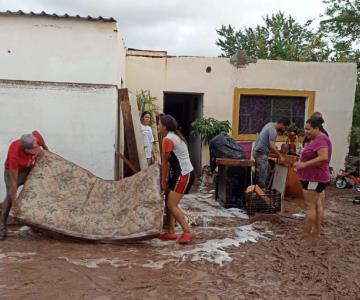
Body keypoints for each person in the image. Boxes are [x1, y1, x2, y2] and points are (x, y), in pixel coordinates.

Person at [0, 132, 46, 240]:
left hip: (28, 167)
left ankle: (34, 223)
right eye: (32, 152)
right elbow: (13, 183)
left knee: (37, 188)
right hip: (14, 172)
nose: (35, 152)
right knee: (10, 197)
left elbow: (37, 134)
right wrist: (15, 204)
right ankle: (2, 226)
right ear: (24, 149)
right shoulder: (14, 156)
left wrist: (47, 152)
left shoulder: (34, 140)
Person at [157, 114, 195, 244]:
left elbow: (165, 162)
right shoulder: (175, 136)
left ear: (164, 126)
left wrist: (163, 181)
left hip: (183, 174)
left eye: (158, 124)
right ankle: (171, 232)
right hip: (179, 173)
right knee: (169, 203)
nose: (157, 126)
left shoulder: (167, 139)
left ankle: (187, 231)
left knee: (171, 205)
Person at [294, 118, 332, 244]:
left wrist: (304, 165)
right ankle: (315, 234)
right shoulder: (317, 139)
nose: (306, 131)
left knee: (310, 207)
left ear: (316, 128)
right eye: (305, 129)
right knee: (317, 206)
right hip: (313, 177)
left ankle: (307, 236)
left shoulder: (321, 139)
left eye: (308, 129)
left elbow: (323, 158)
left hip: (314, 178)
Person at [253, 117, 290, 188]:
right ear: (282, 124)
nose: (284, 129)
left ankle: (264, 189)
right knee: (263, 174)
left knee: (268, 170)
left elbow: (267, 141)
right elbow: (272, 146)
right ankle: (261, 192)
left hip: (258, 152)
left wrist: (273, 147)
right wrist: (280, 156)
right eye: (284, 127)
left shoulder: (269, 124)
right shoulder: (273, 130)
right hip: (260, 153)